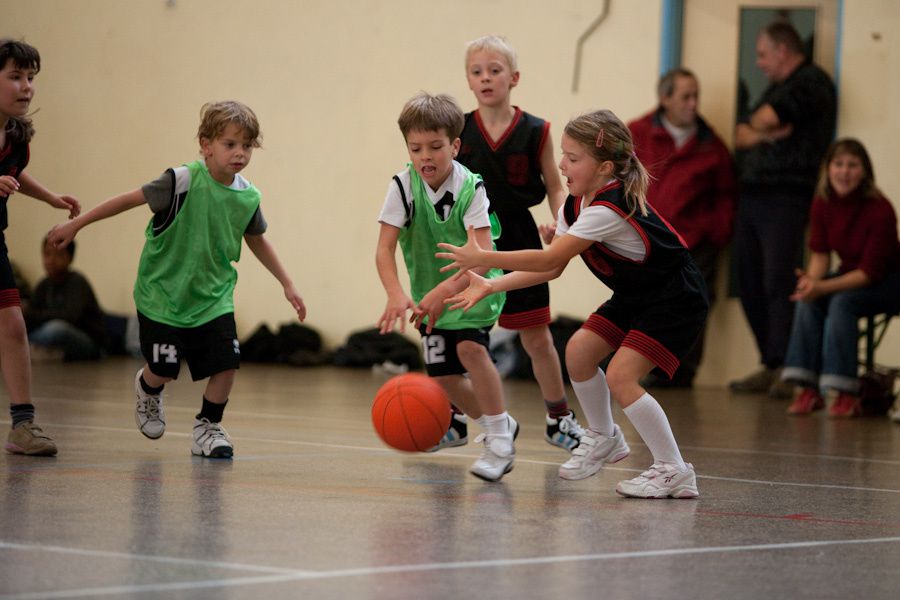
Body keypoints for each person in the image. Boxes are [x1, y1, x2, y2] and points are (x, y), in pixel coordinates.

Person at [438, 109, 707, 498]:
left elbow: (547, 259)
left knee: (621, 376)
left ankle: (673, 468)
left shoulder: (606, 210)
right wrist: (492, 287)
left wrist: (485, 258)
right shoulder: (575, 204)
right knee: (579, 351)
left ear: (605, 168)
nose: (561, 164)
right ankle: (604, 436)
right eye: (562, 154)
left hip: (675, 297)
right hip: (639, 294)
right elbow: (552, 269)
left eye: (573, 158)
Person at [47, 100, 306, 459]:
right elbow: (127, 200)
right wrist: (77, 223)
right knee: (165, 369)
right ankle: (148, 389)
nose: (240, 153)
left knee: (227, 364)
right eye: (230, 144)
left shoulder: (247, 196)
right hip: (162, 295)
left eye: (246, 145)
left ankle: (208, 427)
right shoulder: (180, 181)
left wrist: (287, 283)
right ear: (206, 144)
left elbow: (257, 239)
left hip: (213, 297)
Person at [375, 92, 517, 482]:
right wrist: (395, 293)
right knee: (442, 378)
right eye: (416, 148)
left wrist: (443, 292)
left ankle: (500, 436)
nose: (426, 156)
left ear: (454, 145)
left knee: (471, 349)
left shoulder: (472, 188)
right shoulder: (403, 187)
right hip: (429, 296)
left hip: (473, 287)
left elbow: (484, 254)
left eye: (436, 147)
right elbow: (384, 250)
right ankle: (496, 422)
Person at [455, 34, 584, 450]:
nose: (486, 78)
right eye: (477, 72)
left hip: (519, 234)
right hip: (470, 236)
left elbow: (554, 185)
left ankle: (558, 418)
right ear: (469, 81)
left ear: (514, 77)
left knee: (536, 336)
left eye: (494, 70)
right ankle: (457, 417)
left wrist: (561, 223)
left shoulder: (536, 130)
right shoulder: (457, 129)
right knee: (463, 335)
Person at [730, 21, 836, 397]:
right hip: (753, 195)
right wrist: (765, 134)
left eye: (762, 54)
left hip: (786, 196)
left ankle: (791, 370)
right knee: (748, 279)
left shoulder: (811, 82)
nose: (758, 63)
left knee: (779, 280)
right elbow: (743, 134)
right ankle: (771, 361)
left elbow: (764, 119)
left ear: (782, 50)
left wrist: (762, 129)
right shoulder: (775, 88)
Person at [628, 67, 736, 387]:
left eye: (696, 96)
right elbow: (615, 176)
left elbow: (727, 196)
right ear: (665, 99)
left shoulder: (711, 145)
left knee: (691, 304)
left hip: (694, 243)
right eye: (685, 96)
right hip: (645, 238)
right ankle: (640, 364)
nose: (693, 103)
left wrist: (715, 232)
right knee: (643, 302)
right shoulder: (637, 132)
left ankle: (680, 371)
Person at [1, 39, 81, 456]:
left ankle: (22, 425)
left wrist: (51, 197)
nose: (26, 86)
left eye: (30, 77)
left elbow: (16, 174)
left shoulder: (15, 137)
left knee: (13, 326)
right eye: (15, 76)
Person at [780, 139, 900, 417]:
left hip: (887, 282)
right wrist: (811, 284)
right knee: (807, 301)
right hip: (850, 275)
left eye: (852, 165)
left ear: (865, 171)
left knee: (841, 303)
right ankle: (808, 389)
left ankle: (845, 391)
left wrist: (821, 287)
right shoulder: (823, 202)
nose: (844, 172)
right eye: (839, 164)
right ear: (828, 168)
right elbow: (820, 255)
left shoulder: (880, 209)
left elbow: (870, 272)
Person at [24, 237, 105, 361]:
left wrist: (37, 315)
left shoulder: (77, 281)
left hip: (89, 342)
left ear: (70, 258)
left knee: (57, 328)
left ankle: (34, 350)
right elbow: (30, 314)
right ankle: (50, 353)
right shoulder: (43, 285)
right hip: (51, 336)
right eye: (47, 254)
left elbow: (70, 316)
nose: (51, 260)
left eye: (59, 255)